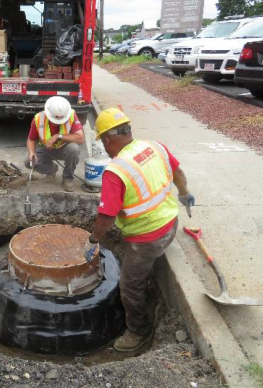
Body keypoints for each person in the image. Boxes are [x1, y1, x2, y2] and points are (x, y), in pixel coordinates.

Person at [84, 108, 195, 354]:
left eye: (104, 142)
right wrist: (185, 193)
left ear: (107, 140)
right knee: (140, 269)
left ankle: (139, 331)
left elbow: (107, 216)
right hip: (170, 225)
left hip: (146, 239)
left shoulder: (116, 172)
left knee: (130, 285)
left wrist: (94, 240)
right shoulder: (155, 146)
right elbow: (177, 172)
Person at [25, 96, 85, 192]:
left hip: (63, 149)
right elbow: (31, 139)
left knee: (74, 148)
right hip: (45, 149)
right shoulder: (39, 118)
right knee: (29, 162)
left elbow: (80, 138)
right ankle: (52, 169)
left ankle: (67, 178)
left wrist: (59, 136)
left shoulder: (71, 115)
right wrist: (32, 153)